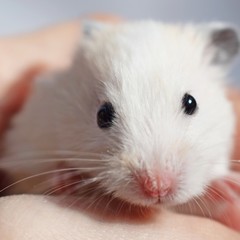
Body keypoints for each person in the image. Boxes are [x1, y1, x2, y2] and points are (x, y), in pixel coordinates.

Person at [0, 14, 240, 239]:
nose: (156, 183)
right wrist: (55, 178)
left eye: (189, 105)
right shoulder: (45, 108)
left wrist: (215, 181)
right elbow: (16, 171)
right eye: (106, 116)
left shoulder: (215, 119)